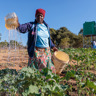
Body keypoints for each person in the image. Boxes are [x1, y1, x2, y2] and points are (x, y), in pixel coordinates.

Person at [16, 8, 58, 73]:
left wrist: (53, 46)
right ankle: (35, 81)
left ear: (43, 17)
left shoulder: (46, 26)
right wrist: (17, 24)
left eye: (41, 16)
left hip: (46, 51)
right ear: (35, 16)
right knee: (35, 69)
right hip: (36, 51)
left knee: (48, 68)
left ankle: (47, 81)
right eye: (38, 15)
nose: (39, 17)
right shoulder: (31, 25)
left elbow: (48, 38)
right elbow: (22, 29)